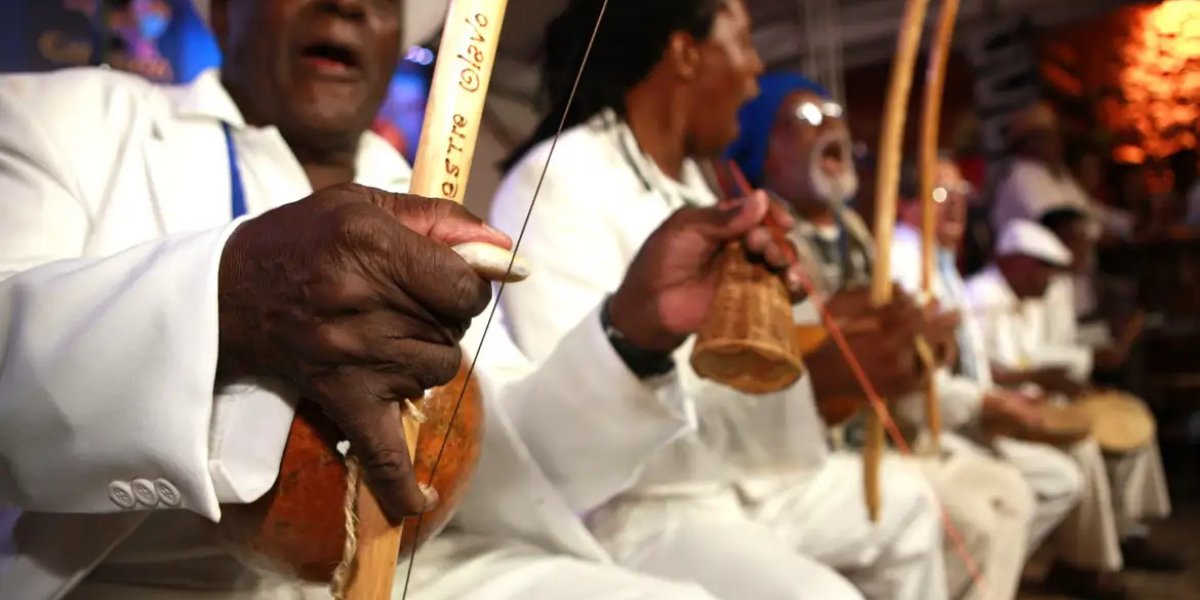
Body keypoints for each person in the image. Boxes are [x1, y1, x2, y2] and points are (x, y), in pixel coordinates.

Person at [0, 1, 807, 598]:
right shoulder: (60, 121)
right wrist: (230, 300)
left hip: (417, 567)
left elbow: (514, 470)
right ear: (221, 10)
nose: (350, 4)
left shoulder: (421, 197)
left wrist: (634, 329)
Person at [493, 6, 948, 598]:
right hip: (637, 508)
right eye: (744, 43)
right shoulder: (561, 176)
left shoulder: (699, 185)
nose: (756, 73)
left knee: (914, 506)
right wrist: (815, 380)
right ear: (686, 54)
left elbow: (774, 343)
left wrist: (853, 330)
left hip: (735, 479)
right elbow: (573, 438)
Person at [732, 72, 1037, 600]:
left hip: (892, 432)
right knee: (970, 519)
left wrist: (924, 348)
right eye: (806, 118)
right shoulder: (761, 237)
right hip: (819, 452)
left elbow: (889, 344)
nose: (830, 126)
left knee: (1010, 492)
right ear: (767, 152)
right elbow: (790, 363)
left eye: (834, 114)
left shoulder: (855, 234)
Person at [892, 157, 1107, 598]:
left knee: (1058, 477)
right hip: (927, 425)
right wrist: (989, 402)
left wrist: (1000, 398)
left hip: (964, 410)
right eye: (939, 194)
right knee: (1029, 490)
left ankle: (993, 575)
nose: (955, 205)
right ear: (905, 206)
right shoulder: (905, 264)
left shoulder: (940, 263)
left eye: (961, 194)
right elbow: (911, 374)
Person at [963, 220, 1174, 599]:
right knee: (1082, 446)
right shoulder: (981, 296)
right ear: (1014, 261)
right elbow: (990, 371)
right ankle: (1084, 563)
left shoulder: (1027, 296)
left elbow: (1030, 358)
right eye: (1042, 266)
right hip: (995, 411)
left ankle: (1128, 534)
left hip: (1033, 402)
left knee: (1131, 419)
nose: (1049, 277)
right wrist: (1049, 379)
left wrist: (1063, 380)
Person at [988, 102, 1133, 241]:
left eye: (1057, 134)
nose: (1057, 142)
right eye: (1048, 135)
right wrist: (1103, 235)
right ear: (1029, 143)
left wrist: (1129, 223)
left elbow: (1089, 210)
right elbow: (1061, 228)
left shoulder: (1057, 172)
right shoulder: (1022, 178)